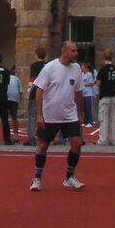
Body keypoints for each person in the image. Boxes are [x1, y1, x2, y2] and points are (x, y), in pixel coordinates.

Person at [29, 41, 86, 192]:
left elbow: (79, 92)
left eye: (76, 50)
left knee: (77, 143)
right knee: (43, 145)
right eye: (73, 51)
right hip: (50, 115)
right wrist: (40, 115)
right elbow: (39, 90)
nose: (76, 53)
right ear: (64, 52)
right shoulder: (50, 67)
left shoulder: (76, 69)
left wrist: (80, 113)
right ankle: (37, 178)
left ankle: (69, 177)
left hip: (69, 114)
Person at [95, 50, 115, 146]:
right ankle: (114, 140)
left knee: (104, 118)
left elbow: (98, 83)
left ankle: (102, 139)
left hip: (104, 95)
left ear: (104, 57)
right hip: (113, 95)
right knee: (114, 119)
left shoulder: (102, 69)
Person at [23, 47, 47, 146]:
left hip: (35, 93)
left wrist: (28, 93)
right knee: (45, 116)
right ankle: (44, 136)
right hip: (46, 94)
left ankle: (32, 137)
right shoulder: (47, 65)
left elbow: (32, 81)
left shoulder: (34, 65)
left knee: (32, 116)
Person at [7, 67, 23, 141]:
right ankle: (16, 136)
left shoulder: (6, 78)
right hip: (14, 99)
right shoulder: (17, 79)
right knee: (14, 117)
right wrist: (18, 101)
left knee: (2, 117)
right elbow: (20, 92)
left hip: (6, 97)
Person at [80, 60, 97, 126]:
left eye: (83, 68)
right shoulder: (82, 74)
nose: (82, 69)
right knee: (85, 109)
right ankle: (85, 121)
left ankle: (90, 121)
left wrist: (84, 84)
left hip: (89, 94)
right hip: (83, 94)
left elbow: (91, 83)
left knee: (89, 108)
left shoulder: (89, 74)